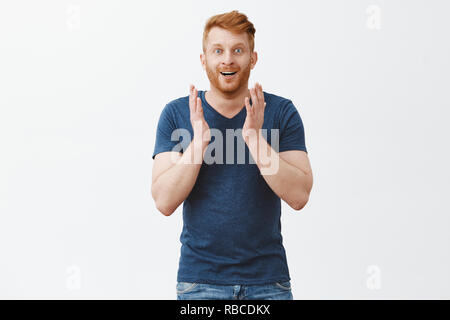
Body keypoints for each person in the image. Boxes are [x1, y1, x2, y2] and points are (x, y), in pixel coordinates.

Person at [151, 10, 313, 300]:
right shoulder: (177, 114)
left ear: (253, 58)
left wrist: (253, 137)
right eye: (218, 50)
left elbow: (300, 196)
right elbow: (163, 201)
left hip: (268, 284)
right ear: (204, 60)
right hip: (199, 284)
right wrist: (199, 142)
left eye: (238, 50)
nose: (228, 59)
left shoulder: (280, 112)